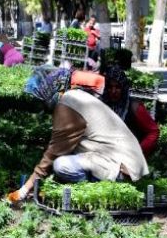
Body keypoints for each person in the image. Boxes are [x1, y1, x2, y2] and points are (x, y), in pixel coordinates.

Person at [9, 68, 149, 201]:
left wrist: (25, 189)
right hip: (119, 159)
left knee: (61, 165)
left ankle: (98, 190)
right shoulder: (75, 97)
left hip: (121, 166)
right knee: (67, 159)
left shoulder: (68, 105)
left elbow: (54, 151)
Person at [100, 66, 159, 157]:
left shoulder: (134, 107)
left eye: (118, 87)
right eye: (110, 87)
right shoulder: (102, 104)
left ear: (123, 88)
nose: (113, 91)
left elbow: (153, 132)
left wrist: (138, 152)